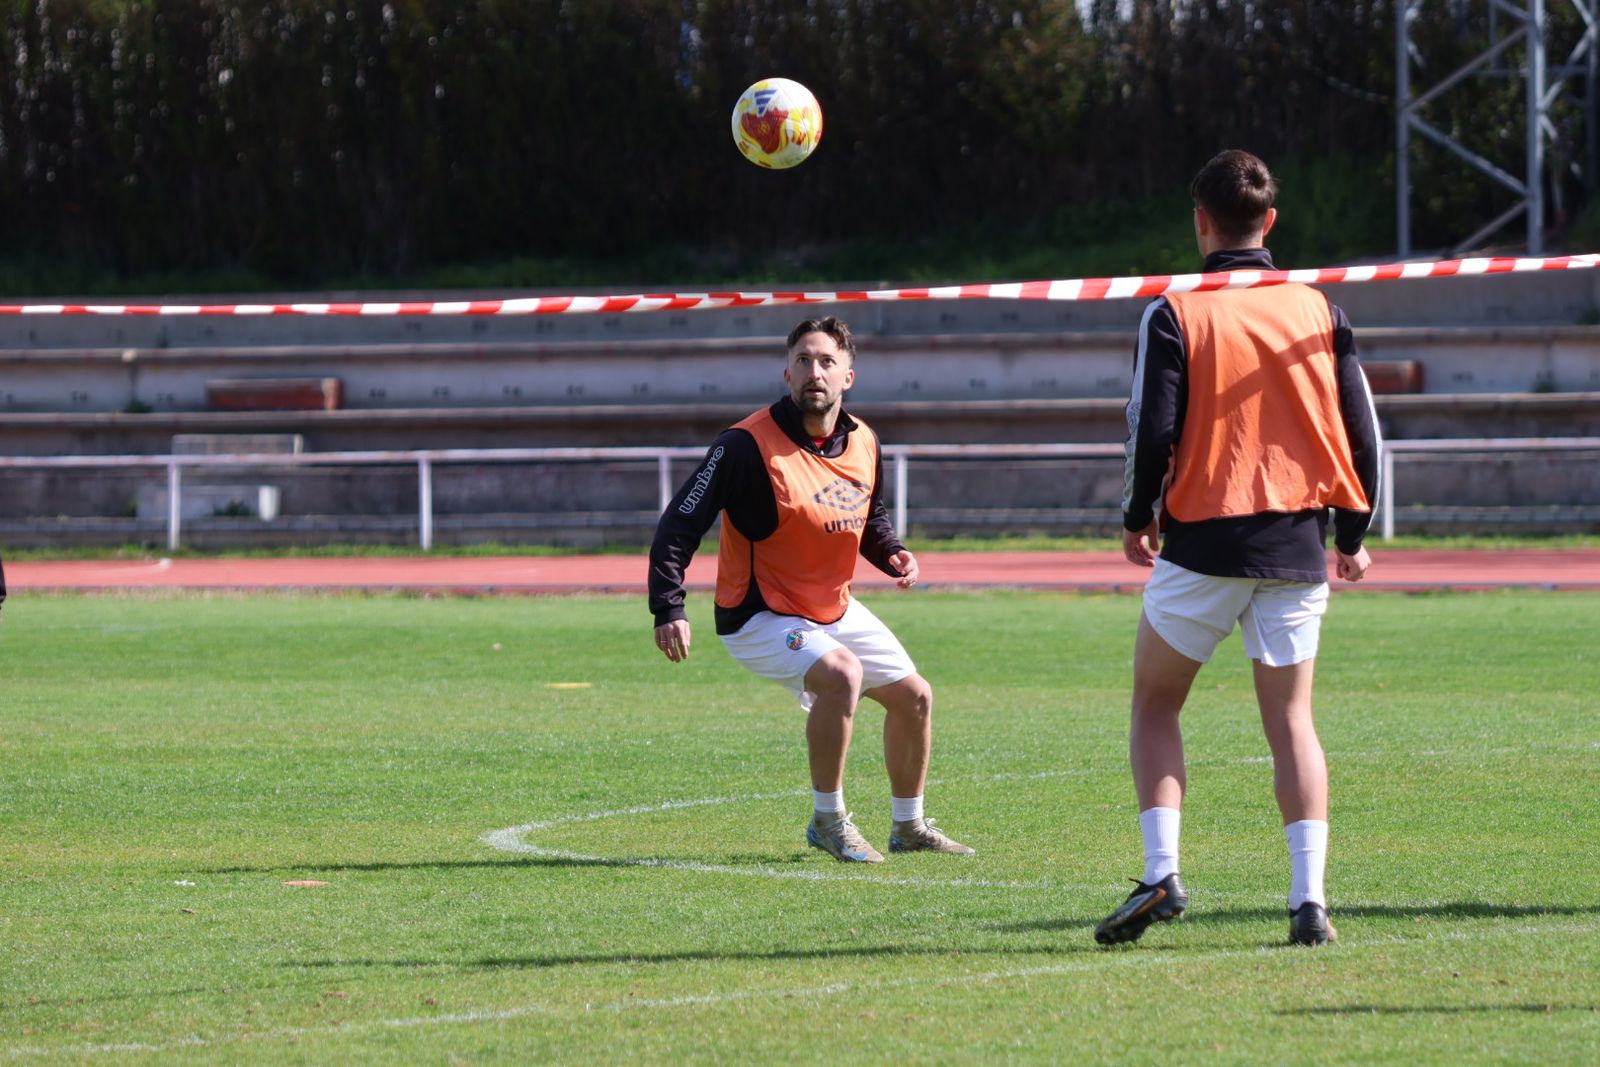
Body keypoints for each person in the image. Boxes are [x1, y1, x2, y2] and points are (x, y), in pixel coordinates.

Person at [1095, 149, 1381, 948]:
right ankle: (1308, 902)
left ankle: (1160, 873)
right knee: (1292, 721)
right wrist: (1353, 535)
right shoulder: (1317, 306)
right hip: (1296, 541)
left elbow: (1150, 427)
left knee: (1157, 702)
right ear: (1271, 223)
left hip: (1203, 538)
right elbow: (1364, 434)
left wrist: (1135, 514)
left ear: (1199, 221)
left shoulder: (1174, 308)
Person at [648, 315, 973, 863]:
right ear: (787, 373)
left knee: (915, 697)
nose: (814, 372)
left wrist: (890, 550)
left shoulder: (864, 440)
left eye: (826, 362)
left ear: (849, 376)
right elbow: (679, 523)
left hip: (832, 607)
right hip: (759, 616)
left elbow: (868, 514)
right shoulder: (744, 446)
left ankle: (909, 827)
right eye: (803, 360)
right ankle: (828, 820)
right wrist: (667, 605)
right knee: (842, 675)